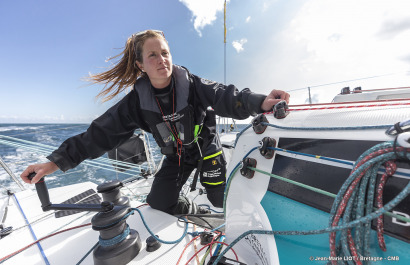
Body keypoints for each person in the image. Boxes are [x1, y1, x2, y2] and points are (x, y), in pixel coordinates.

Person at [20, 30, 290, 215]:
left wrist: (261, 102)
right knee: (158, 204)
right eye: (152, 55)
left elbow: (227, 97)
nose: (162, 60)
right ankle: (190, 209)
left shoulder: (193, 85)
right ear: (140, 65)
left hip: (207, 152)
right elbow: (99, 134)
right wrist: (53, 163)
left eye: (165, 53)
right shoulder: (137, 102)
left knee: (223, 201)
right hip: (176, 157)